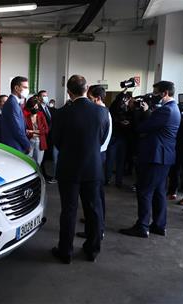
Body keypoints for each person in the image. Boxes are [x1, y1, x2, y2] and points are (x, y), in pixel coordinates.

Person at [51, 75, 110, 264]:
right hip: (93, 167)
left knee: (69, 210)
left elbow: (56, 141)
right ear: (87, 89)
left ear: (68, 91)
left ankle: (65, 251)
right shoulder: (102, 112)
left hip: (69, 167)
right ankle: (92, 250)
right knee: (93, 209)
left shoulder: (61, 113)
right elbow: (101, 138)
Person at [119, 81, 180, 238]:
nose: (154, 96)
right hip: (163, 157)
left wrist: (145, 112)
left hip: (156, 156)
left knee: (144, 191)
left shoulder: (166, 110)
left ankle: (142, 226)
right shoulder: (173, 108)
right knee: (159, 191)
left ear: (164, 93)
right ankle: (159, 225)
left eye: (156, 93)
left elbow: (142, 128)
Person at [77, 85, 112, 239]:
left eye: (90, 98)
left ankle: (98, 229)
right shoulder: (101, 112)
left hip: (97, 156)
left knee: (96, 197)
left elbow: (99, 140)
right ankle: (94, 224)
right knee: (95, 196)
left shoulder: (102, 114)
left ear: (97, 98)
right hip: (98, 155)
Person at [105, 90, 132, 187]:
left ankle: (118, 181)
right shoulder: (115, 107)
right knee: (110, 160)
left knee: (120, 161)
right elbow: (117, 101)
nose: (127, 102)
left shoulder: (129, 109)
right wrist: (124, 90)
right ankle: (107, 179)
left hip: (123, 138)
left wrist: (127, 124)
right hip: (115, 138)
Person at [1, 76, 31, 153]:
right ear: (16, 88)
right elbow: (17, 130)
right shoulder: (12, 104)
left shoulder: (15, 103)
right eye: (25, 87)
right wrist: (28, 145)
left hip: (16, 145)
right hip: (14, 146)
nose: (27, 90)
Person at [36, 90, 57, 184]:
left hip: (50, 136)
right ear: (39, 98)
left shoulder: (47, 107)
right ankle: (42, 176)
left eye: (46, 95)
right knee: (42, 158)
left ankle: (44, 174)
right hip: (43, 136)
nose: (46, 97)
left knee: (45, 157)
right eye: (44, 96)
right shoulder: (38, 108)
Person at [23, 97, 49, 165]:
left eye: (37, 106)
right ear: (29, 107)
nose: (35, 108)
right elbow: (24, 130)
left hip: (40, 141)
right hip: (29, 141)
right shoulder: (26, 116)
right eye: (33, 106)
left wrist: (32, 131)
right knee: (27, 161)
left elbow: (46, 130)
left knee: (38, 163)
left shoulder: (41, 115)